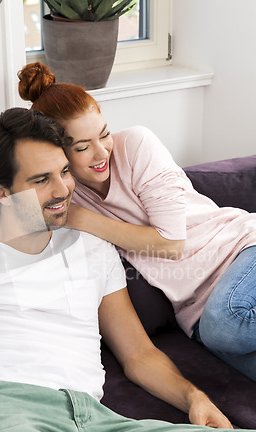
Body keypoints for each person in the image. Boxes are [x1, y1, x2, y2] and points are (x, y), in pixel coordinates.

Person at [0, 107, 256, 432]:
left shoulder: (95, 247)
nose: (64, 189)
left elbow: (138, 355)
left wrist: (194, 398)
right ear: (1, 192)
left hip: (94, 422)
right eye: (40, 180)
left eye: (64, 171)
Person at [18, 62, 256, 383]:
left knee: (227, 325)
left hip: (241, 251)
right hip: (196, 313)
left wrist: (79, 218)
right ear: (57, 153)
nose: (101, 152)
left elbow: (171, 244)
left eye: (103, 134)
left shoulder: (136, 146)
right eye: (82, 147)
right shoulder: (63, 192)